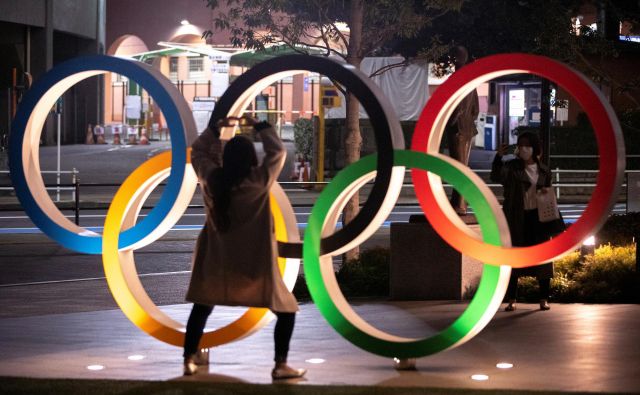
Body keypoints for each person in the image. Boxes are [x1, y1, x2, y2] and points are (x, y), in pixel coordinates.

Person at [184, 116, 306, 380]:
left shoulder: (211, 181)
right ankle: (280, 364)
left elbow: (198, 152)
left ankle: (188, 359)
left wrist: (217, 128)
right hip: (254, 265)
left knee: (202, 306)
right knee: (286, 310)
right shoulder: (259, 181)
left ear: (227, 159)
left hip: (218, 263)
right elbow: (278, 151)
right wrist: (260, 125)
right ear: (251, 158)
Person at [490, 131, 562, 311]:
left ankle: (544, 298)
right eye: (520, 145)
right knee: (515, 257)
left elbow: (548, 192)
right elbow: (496, 176)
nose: (523, 148)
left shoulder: (544, 170)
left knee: (543, 258)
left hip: (539, 218)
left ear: (534, 148)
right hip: (517, 217)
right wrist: (498, 156)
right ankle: (512, 298)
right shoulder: (511, 167)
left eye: (527, 145)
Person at [446, 46, 480, 215]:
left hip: (458, 130)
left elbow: (454, 107)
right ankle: (459, 202)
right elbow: (475, 110)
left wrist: (451, 121)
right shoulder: (470, 81)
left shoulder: (457, 79)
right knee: (462, 166)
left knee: (459, 167)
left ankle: (460, 204)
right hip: (467, 129)